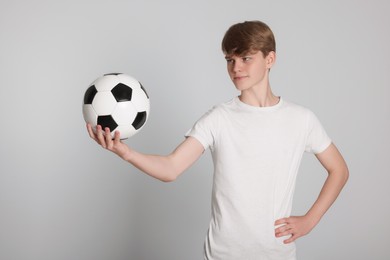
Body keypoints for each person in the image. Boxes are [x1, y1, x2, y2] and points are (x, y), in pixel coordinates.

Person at [87, 20, 349, 260]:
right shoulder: (219, 118)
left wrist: (310, 221)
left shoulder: (301, 119)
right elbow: (171, 168)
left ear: (270, 59)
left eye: (245, 58)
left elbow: (339, 170)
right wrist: (126, 152)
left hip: (277, 253)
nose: (236, 68)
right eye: (229, 59)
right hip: (224, 254)